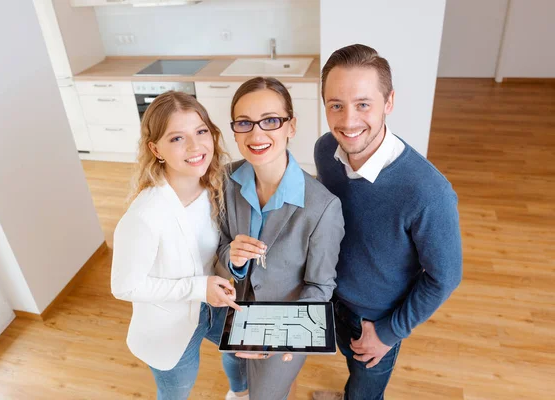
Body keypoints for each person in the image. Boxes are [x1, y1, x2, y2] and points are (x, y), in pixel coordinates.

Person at [312, 44, 463, 400]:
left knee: (366, 393)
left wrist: (389, 331)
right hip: (333, 301)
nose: (348, 121)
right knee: (351, 372)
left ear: (389, 102)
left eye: (363, 104)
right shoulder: (325, 151)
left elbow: (445, 277)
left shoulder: (428, 192)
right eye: (336, 105)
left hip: (377, 321)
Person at [111, 91, 247, 400]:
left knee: (241, 353)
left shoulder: (213, 187)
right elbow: (124, 287)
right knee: (177, 393)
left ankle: (239, 395)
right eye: (177, 138)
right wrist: (199, 289)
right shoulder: (145, 216)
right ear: (155, 149)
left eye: (200, 132)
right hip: (169, 326)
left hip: (214, 306)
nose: (196, 146)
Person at [216, 77, 345, 400]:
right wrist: (231, 259)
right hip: (234, 317)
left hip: (285, 325)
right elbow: (218, 246)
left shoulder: (322, 207)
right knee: (235, 370)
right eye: (245, 123)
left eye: (271, 121)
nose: (256, 134)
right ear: (234, 130)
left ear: (291, 126)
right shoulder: (225, 181)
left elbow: (320, 287)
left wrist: (283, 338)